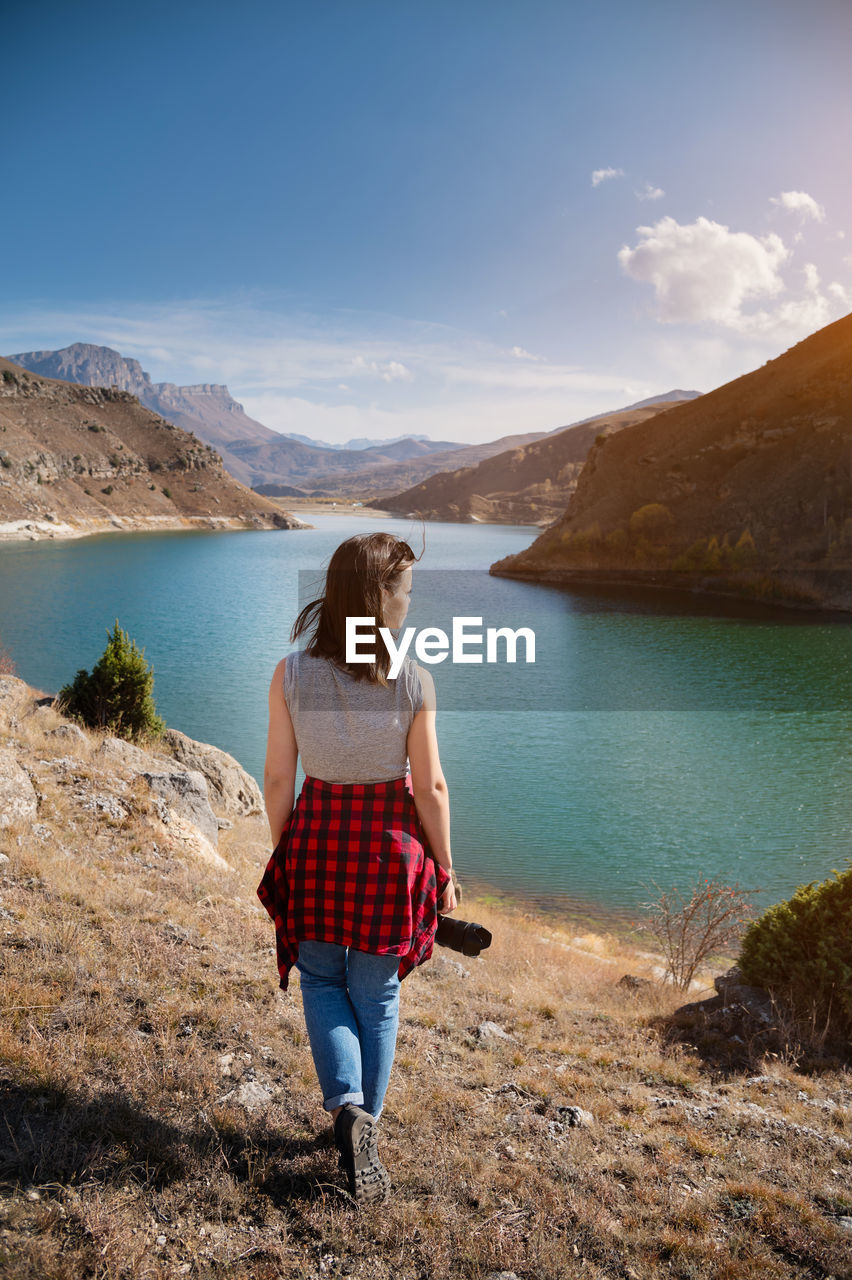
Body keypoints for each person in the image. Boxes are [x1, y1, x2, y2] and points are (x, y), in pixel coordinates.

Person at [258, 531, 456, 1206]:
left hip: (317, 838)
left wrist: (287, 846)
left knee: (320, 977)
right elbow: (430, 789)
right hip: (392, 848)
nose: (408, 602)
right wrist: (447, 868)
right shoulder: (414, 678)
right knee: (376, 991)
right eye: (403, 590)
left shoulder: (290, 673)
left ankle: (347, 1112)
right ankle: (363, 1123)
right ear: (379, 596)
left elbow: (278, 777)